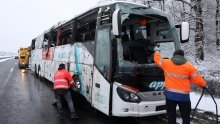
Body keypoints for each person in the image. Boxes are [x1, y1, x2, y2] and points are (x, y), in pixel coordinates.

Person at [153, 47, 206, 124]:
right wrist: (204, 84)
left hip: (170, 97)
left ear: (174, 55)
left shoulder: (166, 63)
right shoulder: (189, 67)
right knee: (186, 117)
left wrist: (157, 51)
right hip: (183, 98)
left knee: (171, 117)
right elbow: (199, 81)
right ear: (183, 56)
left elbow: (157, 60)